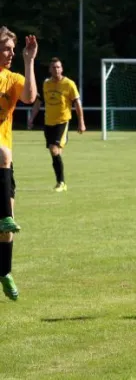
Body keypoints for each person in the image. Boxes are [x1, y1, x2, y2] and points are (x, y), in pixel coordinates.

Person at [0, 27, 38, 301]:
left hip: (3, 163)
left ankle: (4, 272)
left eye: (14, 48)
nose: (11, 52)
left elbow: (29, 98)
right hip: (2, 155)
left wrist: (29, 60)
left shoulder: (11, 78)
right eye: (6, 47)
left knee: (6, 229)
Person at [29, 57, 86, 192]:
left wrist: (81, 122)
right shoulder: (46, 84)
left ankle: (61, 183)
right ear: (50, 69)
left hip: (62, 122)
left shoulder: (69, 84)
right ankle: (60, 181)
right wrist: (31, 117)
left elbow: (77, 103)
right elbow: (38, 102)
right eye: (53, 67)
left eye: (58, 67)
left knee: (54, 150)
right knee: (55, 152)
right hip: (48, 122)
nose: (56, 69)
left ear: (62, 69)